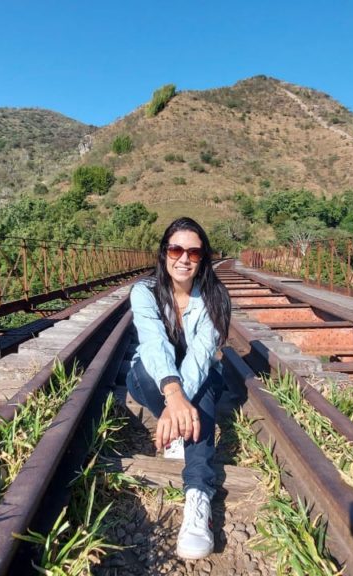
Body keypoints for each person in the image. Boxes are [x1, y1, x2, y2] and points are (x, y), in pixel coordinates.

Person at [125, 217, 231, 560]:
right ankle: (179, 423)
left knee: (200, 394)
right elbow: (154, 344)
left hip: (200, 379)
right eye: (176, 248)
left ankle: (197, 496)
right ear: (164, 252)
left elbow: (201, 355)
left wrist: (180, 402)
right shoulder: (144, 292)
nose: (184, 258)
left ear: (203, 258)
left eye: (194, 252)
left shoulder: (215, 297)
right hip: (156, 378)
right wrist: (173, 396)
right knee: (142, 373)